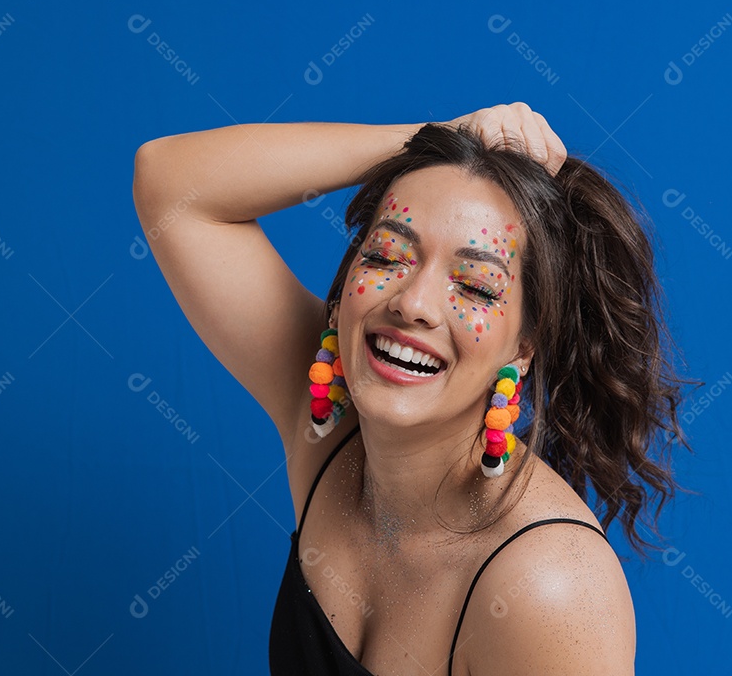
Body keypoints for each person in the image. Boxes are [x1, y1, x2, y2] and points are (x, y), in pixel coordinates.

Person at [132, 103, 692, 675]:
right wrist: (435, 139)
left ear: (524, 347)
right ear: (347, 279)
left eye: (474, 286)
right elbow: (170, 183)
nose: (412, 303)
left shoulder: (551, 587)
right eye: (387, 254)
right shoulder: (327, 429)